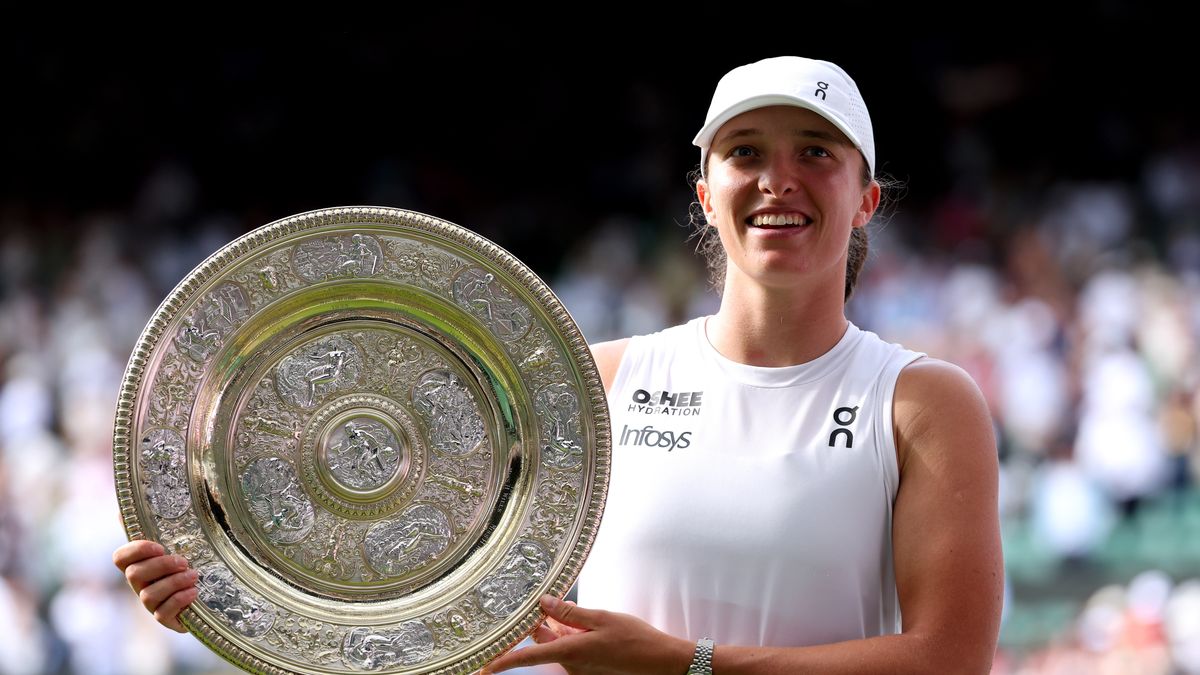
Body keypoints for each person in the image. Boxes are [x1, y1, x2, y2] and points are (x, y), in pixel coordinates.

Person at [114, 55, 1004, 673]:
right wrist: (221, 590)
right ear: (704, 191)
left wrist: (689, 667)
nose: (779, 179)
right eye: (745, 153)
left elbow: (947, 660)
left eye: (816, 153)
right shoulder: (596, 381)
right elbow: (419, 597)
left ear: (866, 200)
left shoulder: (920, 400)